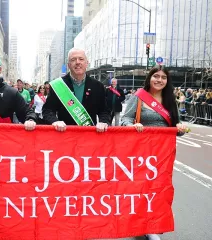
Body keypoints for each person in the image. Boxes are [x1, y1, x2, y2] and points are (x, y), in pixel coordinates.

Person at [121, 66, 188, 240]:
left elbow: (176, 126)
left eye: (163, 77)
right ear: (149, 78)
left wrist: (180, 128)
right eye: (156, 76)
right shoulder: (140, 97)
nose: (159, 80)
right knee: (143, 187)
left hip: (163, 153)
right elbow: (125, 119)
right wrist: (132, 126)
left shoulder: (169, 99)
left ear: (167, 81)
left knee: (159, 189)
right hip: (142, 151)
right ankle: (144, 224)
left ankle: (153, 224)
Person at [42, 48, 110, 132]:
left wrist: (103, 122)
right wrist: (55, 121)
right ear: (69, 65)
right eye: (73, 59)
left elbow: (104, 111)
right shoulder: (58, 85)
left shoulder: (98, 86)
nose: (77, 62)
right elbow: (48, 110)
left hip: (89, 137)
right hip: (65, 136)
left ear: (86, 63)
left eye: (81, 59)